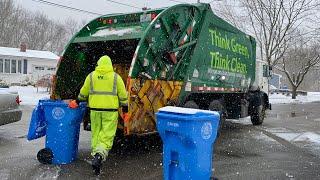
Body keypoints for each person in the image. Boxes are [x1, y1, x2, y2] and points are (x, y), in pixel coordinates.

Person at [69, 55, 128, 175]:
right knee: (106, 135)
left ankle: (96, 155)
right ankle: (99, 156)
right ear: (110, 65)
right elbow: (123, 95)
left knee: (96, 133)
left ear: (98, 64)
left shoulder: (91, 76)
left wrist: (77, 101)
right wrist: (125, 109)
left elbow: (83, 93)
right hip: (110, 112)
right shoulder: (116, 78)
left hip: (94, 111)